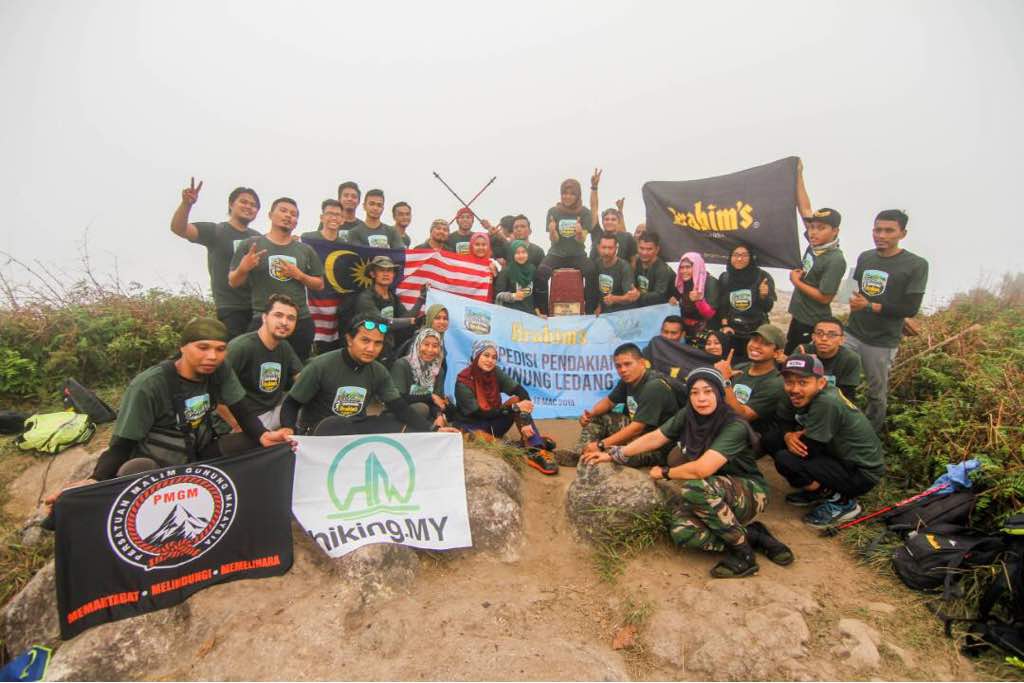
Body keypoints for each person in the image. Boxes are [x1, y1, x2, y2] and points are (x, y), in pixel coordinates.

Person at [47, 318, 290, 499]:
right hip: (158, 462)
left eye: (219, 349)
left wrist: (263, 435)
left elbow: (242, 410)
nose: (212, 356)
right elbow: (122, 443)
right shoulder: (149, 385)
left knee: (257, 444)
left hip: (200, 453)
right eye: (203, 347)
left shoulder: (220, 370)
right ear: (183, 347)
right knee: (135, 469)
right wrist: (95, 479)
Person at [599, 368, 792, 578]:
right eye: (694, 392)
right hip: (712, 493)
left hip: (749, 492)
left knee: (694, 487)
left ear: (719, 393)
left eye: (708, 391)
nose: (701, 399)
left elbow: (702, 469)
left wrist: (666, 472)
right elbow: (656, 437)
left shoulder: (734, 425)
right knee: (681, 531)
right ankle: (753, 536)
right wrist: (615, 454)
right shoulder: (689, 414)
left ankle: (743, 555)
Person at [767, 353, 885, 528]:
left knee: (786, 459)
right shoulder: (794, 394)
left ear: (821, 383)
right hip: (837, 455)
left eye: (803, 382)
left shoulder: (827, 401)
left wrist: (793, 439)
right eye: (789, 382)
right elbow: (783, 422)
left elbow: (808, 449)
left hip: (861, 472)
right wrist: (787, 435)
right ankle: (820, 489)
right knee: (773, 439)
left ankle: (843, 501)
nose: (794, 388)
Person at [281, 314, 452, 435]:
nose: (371, 349)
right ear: (349, 339)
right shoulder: (320, 365)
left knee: (397, 422)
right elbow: (291, 403)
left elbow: (398, 406)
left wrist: (433, 430)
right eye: (365, 340)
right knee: (335, 424)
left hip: (355, 429)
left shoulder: (378, 371)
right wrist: (289, 429)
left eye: (377, 343)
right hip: (320, 431)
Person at [845, 209, 929, 432]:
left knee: (876, 393)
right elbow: (857, 290)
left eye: (888, 230)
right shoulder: (865, 257)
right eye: (877, 229)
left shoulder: (916, 264)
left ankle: (869, 437)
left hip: (881, 341)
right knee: (839, 381)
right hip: (851, 332)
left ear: (902, 233)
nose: (881, 235)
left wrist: (871, 306)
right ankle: (839, 425)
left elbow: (910, 308)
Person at [228, 197, 324, 361]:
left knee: (297, 371)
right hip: (263, 318)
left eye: (293, 214)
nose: (288, 216)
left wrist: (299, 275)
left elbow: (319, 284)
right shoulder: (251, 245)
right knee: (260, 370)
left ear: (296, 222)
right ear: (270, 214)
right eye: (283, 211)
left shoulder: (305, 250)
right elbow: (233, 282)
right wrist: (244, 268)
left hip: (299, 320)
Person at [170, 178, 261, 339]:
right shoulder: (216, 231)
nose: (248, 207)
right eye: (243, 202)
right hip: (230, 307)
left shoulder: (258, 238)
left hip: (257, 308)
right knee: (232, 354)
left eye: (253, 205)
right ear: (231, 204)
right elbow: (179, 229)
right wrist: (187, 204)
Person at [452, 340, 559, 475]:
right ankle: (525, 444)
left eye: (494, 357)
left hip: (494, 423)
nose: (490, 360)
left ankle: (535, 449)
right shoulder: (463, 381)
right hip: (472, 426)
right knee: (487, 440)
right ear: (476, 355)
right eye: (486, 355)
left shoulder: (495, 372)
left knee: (518, 400)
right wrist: (514, 408)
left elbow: (520, 391)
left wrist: (524, 419)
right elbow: (481, 414)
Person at [575, 343, 679, 468]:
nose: (623, 370)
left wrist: (601, 444)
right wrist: (590, 414)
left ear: (642, 363)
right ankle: (581, 452)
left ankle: (590, 456)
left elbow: (637, 428)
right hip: (638, 434)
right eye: (618, 366)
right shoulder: (628, 380)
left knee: (614, 455)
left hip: (656, 445)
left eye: (628, 364)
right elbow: (609, 402)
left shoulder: (654, 386)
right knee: (598, 417)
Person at [220, 294, 304, 431]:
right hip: (248, 418)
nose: (284, 322)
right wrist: (239, 426)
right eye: (278, 315)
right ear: (264, 317)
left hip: (274, 410)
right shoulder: (241, 347)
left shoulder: (284, 346)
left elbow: (301, 378)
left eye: (291, 318)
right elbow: (215, 391)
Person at [537, 177, 600, 313]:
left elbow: (581, 240)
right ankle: (542, 312)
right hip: (556, 254)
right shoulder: (553, 211)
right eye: (565, 193)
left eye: (572, 194)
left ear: (578, 196)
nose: (568, 197)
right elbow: (554, 240)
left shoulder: (584, 212)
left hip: (577, 254)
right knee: (541, 272)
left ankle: (589, 311)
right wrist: (553, 231)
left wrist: (578, 234)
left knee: (591, 271)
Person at [714, 324, 786, 438]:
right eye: (754, 340)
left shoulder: (775, 383)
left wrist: (725, 381)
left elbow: (742, 416)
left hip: (746, 435)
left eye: (765, 343)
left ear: (777, 353)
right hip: (720, 423)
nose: (756, 346)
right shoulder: (741, 367)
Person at [353, 256, 422, 366]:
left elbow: (405, 317)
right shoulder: (365, 298)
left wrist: (421, 300)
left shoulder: (392, 297)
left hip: (389, 351)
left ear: (394, 275)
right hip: (369, 352)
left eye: (389, 270)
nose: (386, 274)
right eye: (381, 270)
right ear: (372, 274)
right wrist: (411, 321)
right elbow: (380, 323)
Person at [717, 244, 776, 364]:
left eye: (744, 255)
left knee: (753, 363)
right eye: (736, 255)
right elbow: (722, 305)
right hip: (732, 329)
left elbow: (768, 307)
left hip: (755, 329)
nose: (739, 259)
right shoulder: (725, 277)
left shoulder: (762, 276)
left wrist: (763, 296)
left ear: (751, 258)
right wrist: (724, 325)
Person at [390, 328, 448, 425]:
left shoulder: (438, 370)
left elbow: (438, 400)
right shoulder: (402, 365)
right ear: (417, 345)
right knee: (421, 408)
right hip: (400, 413)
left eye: (435, 346)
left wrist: (439, 416)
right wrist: (430, 396)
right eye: (425, 344)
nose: (430, 350)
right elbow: (398, 398)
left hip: (426, 415)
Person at [799, 317, 862, 402]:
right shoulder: (802, 351)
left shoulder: (850, 359)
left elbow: (847, 395)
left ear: (841, 340)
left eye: (832, 335)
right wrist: (806, 363)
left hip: (835, 402)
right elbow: (792, 384)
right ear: (813, 337)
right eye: (819, 333)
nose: (824, 338)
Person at [588, 169, 636, 265]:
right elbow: (594, 208)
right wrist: (594, 187)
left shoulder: (626, 237)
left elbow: (633, 262)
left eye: (613, 219)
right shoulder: (597, 233)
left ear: (618, 221)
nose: (609, 222)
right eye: (606, 219)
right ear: (602, 221)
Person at [675, 252, 719, 339]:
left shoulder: (710, 282)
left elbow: (711, 315)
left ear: (697, 267)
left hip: (706, 333)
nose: (684, 271)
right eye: (681, 267)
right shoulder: (682, 283)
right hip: (687, 331)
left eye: (688, 267)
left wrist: (699, 301)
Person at [593, 234, 638, 315]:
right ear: (598, 248)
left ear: (616, 248)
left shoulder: (625, 267)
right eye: (604, 247)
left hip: (620, 312)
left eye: (610, 248)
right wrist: (598, 305)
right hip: (602, 311)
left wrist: (615, 299)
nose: (606, 252)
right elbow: (595, 290)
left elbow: (629, 297)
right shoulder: (596, 264)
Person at [494, 240, 541, 315]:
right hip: (511, 315)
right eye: (517, 253)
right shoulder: (506, 271)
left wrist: (538, 313)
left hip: (529, 315)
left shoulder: (532, 270)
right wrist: (513, 296)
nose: (521, 255)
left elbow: (534, 295)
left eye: (523, 252)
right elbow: (497, 295)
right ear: (512, 254)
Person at [632, 232, 677, 308]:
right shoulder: (637, 261)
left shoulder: (663, 270)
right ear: (637, 247)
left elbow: (659, 296)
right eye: (641, 248)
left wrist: (638, 295)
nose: (644, 253)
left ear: (657, 249)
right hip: (644, 308)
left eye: (649, 249)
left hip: (662, 310)